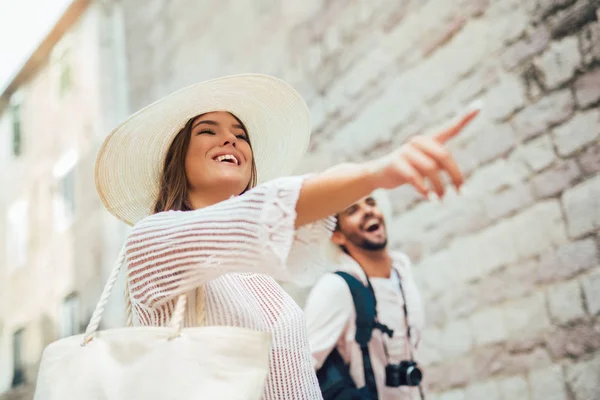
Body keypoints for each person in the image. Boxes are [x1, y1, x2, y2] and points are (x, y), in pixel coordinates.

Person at [94, 73, 479, 399]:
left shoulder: (259, 275)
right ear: (178, 158)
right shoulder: (152, 240)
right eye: (207, 131)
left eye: (240, 135)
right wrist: (377, 173)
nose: (230, 140)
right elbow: (265, 212)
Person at [304, 189, 425, 399]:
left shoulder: (402, 271)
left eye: (370, 202)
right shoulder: (336, 287)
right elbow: (299, 367)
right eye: (352, 210)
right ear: (337, 235)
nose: (368, 211)